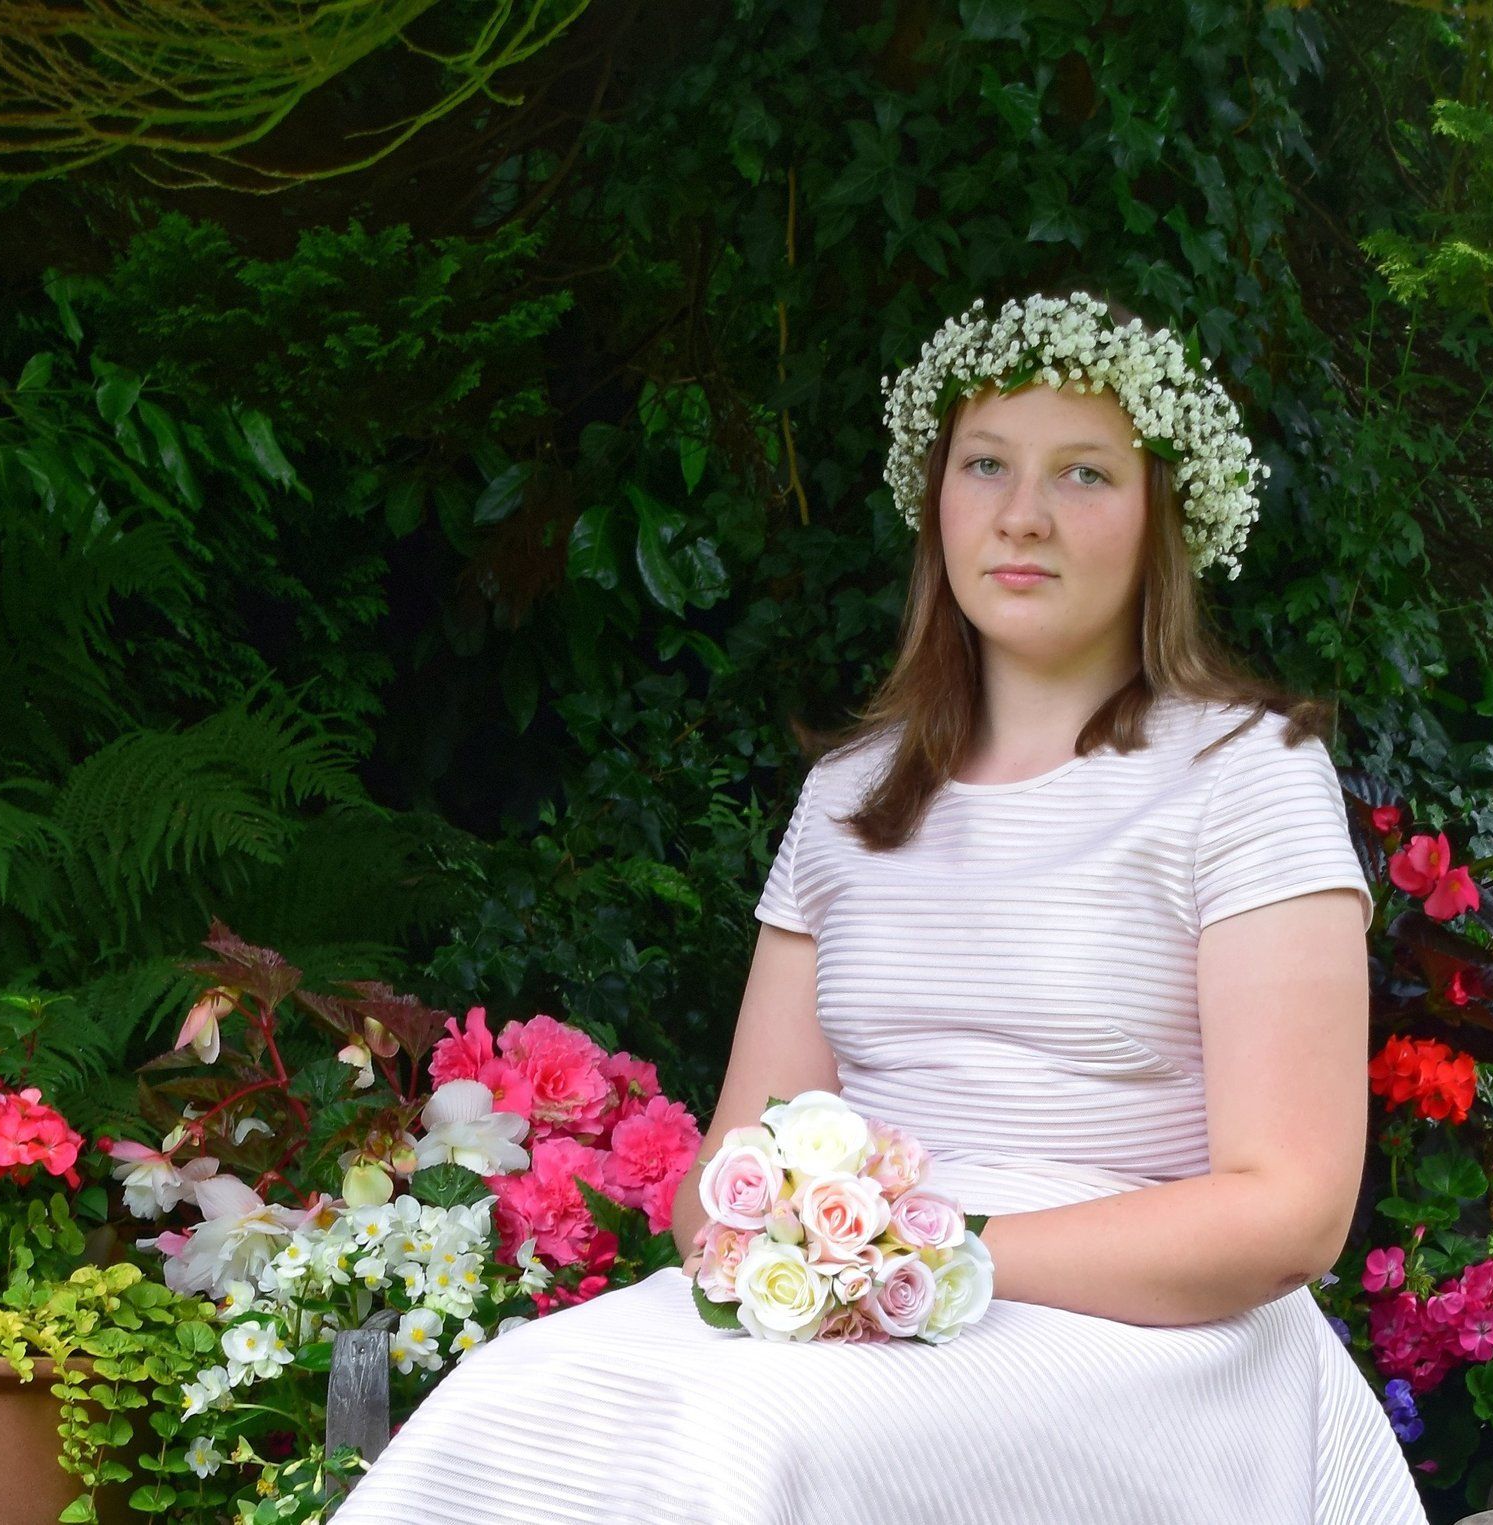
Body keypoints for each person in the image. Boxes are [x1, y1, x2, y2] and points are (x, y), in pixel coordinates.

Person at [335, 290, 1430, 1523]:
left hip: (1147, 1340)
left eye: (1083, 473)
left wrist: (928, 1252)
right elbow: (727, 1168)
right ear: (937, 499)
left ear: (1163, 518)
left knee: (743, 1444)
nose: (1023, 515)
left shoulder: (1245, 777)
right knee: (517, 1395)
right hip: (856, 1303)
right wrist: (792, 1248)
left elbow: (1288, 1209)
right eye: (985, 465)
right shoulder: (851, 795)